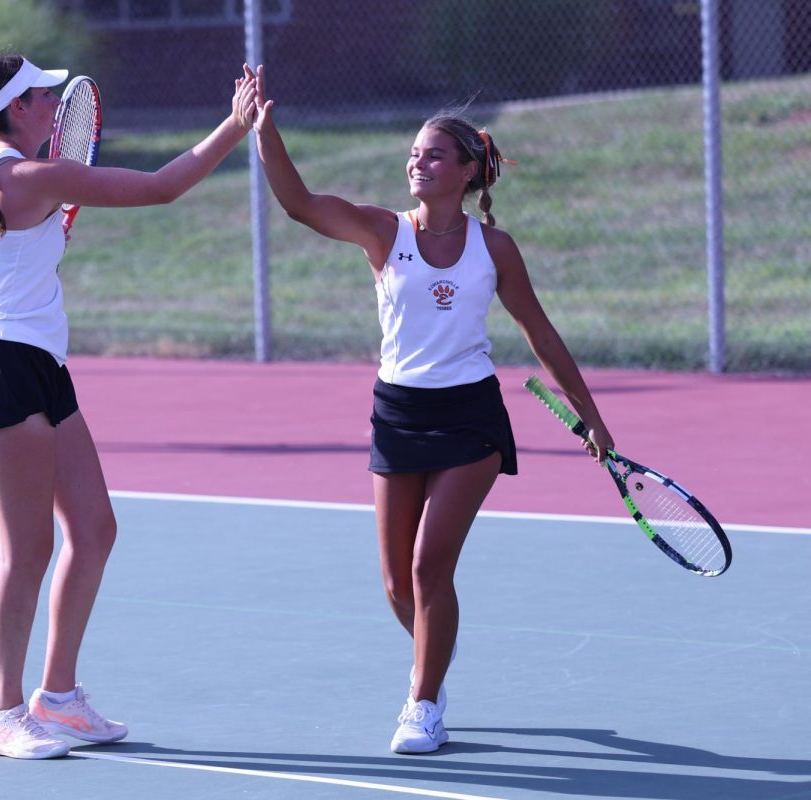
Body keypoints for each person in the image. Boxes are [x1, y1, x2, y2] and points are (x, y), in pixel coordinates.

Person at [247, 65, 615, 754]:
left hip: (471, 417)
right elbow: (297, 202)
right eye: (413, 152)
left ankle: (421, 704)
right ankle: (433, 668)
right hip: (398, 413)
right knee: (395, 582)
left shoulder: (494, 248)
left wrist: (591, 414)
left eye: (433, 154)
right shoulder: (383, 233)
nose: (418, 161)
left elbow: (540, 334)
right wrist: (264, 132)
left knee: (427, 568)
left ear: (467, 170)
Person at [0, 54, 258, 760]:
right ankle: (2, 713)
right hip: (6, 368)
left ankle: (58, 697)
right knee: (27, 553)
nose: (56, 106)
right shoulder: (32, 177)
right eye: (46, 97)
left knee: (94, 527)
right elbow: (163, 188)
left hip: (33, 364)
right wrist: (236, 126)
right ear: (18, 110)